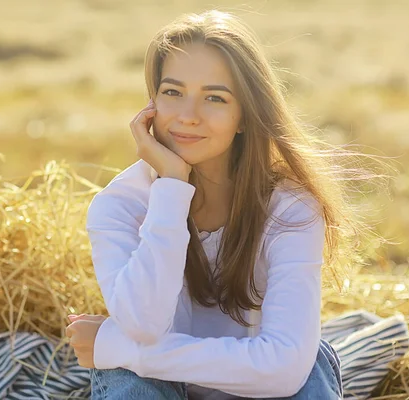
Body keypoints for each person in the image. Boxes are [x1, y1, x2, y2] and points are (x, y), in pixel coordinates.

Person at [66, 9, 384, 400]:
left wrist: (117, 346)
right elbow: (145, 326)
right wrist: (170, 186)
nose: (188, 116)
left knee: (309, 363)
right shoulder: (119, 206)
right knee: (129, 380)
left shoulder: (291, 209)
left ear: (246, 116)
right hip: (161, 388)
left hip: (261, 390)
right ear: (151, 104)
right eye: (172, 92)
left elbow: (282, 370)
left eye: (214, 98)